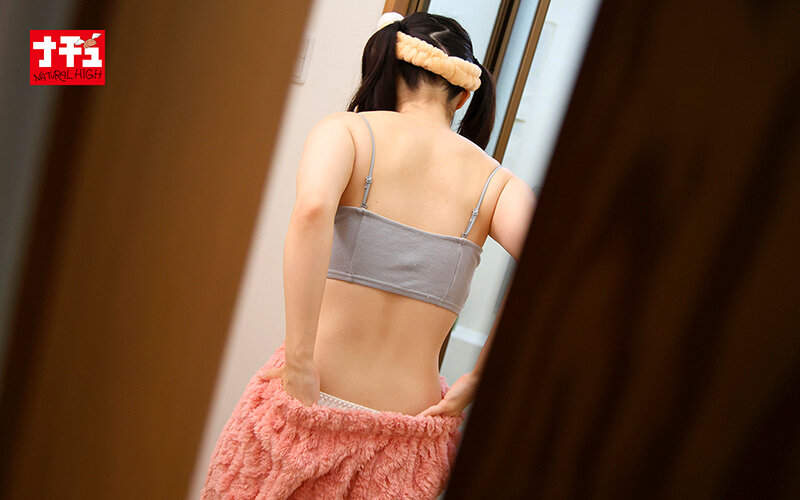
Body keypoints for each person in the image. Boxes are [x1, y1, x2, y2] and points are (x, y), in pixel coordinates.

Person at [201, 10, 535, 499]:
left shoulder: (347, 132)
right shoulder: (497, 182)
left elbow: (312, 209)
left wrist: (299, 361)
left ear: (387, 69)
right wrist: (480, 376)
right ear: (463, 95)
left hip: (309, 402)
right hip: (408, 435)